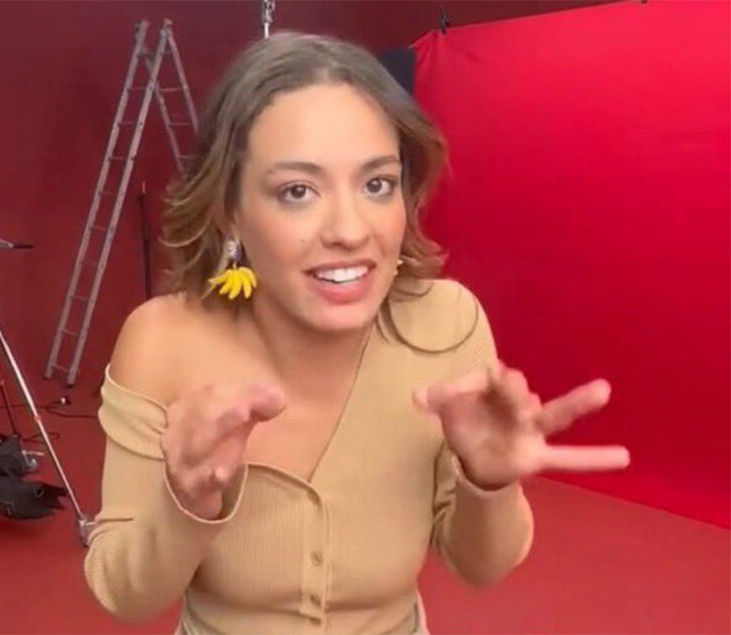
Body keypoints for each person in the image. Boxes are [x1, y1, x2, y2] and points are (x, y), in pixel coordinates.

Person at [83, 31, 630, 635]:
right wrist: (184, 501)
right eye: (297, 191)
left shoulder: (447, 324)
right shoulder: (162, 341)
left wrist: (491, 483)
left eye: (376, 184)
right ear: (229, 210)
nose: (350, 229)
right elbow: (123, 593)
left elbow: (483, 566)